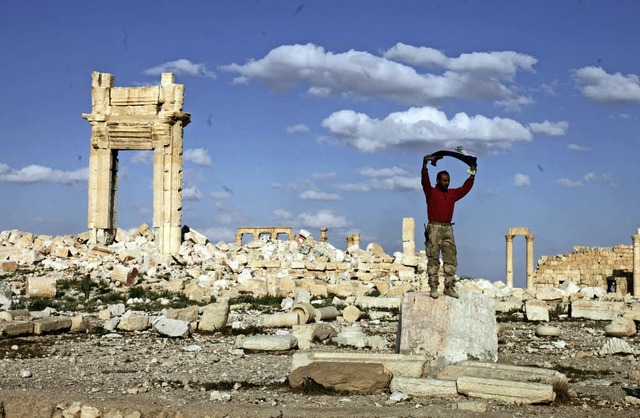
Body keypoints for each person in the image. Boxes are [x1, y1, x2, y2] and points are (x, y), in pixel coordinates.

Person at [421, 154, 476, 299]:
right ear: (438, 180)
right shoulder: (431, 192)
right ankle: (433, 286)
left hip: (448, 228)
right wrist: (424, 166)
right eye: (444, 181)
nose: (447, 183)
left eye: (448, 181)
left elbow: (465, 188)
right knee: (433, 258)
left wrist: (472, 174)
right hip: (434, 228)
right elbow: (424, 182)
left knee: (451, 258)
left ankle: (449, 287)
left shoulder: (452, 194)